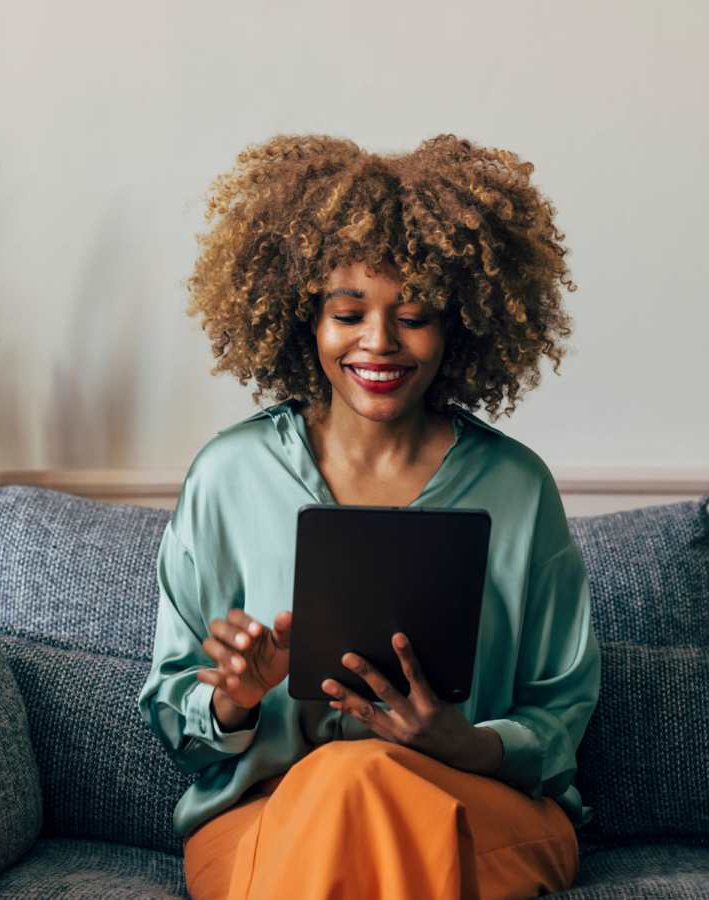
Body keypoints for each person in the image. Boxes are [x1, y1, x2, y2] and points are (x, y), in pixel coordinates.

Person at [136, 132, 600, 900]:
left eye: (413, 315)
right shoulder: (230, 475)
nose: (379, 342)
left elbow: (561, 710)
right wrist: (234, 697)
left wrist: (466, 743)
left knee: (363, 785)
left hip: (474, 805)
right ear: (303, 320)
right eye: (348, 313)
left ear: (458, 327)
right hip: (267, 816)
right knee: (347, 788)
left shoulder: (517, 488)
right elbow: (174, 707)